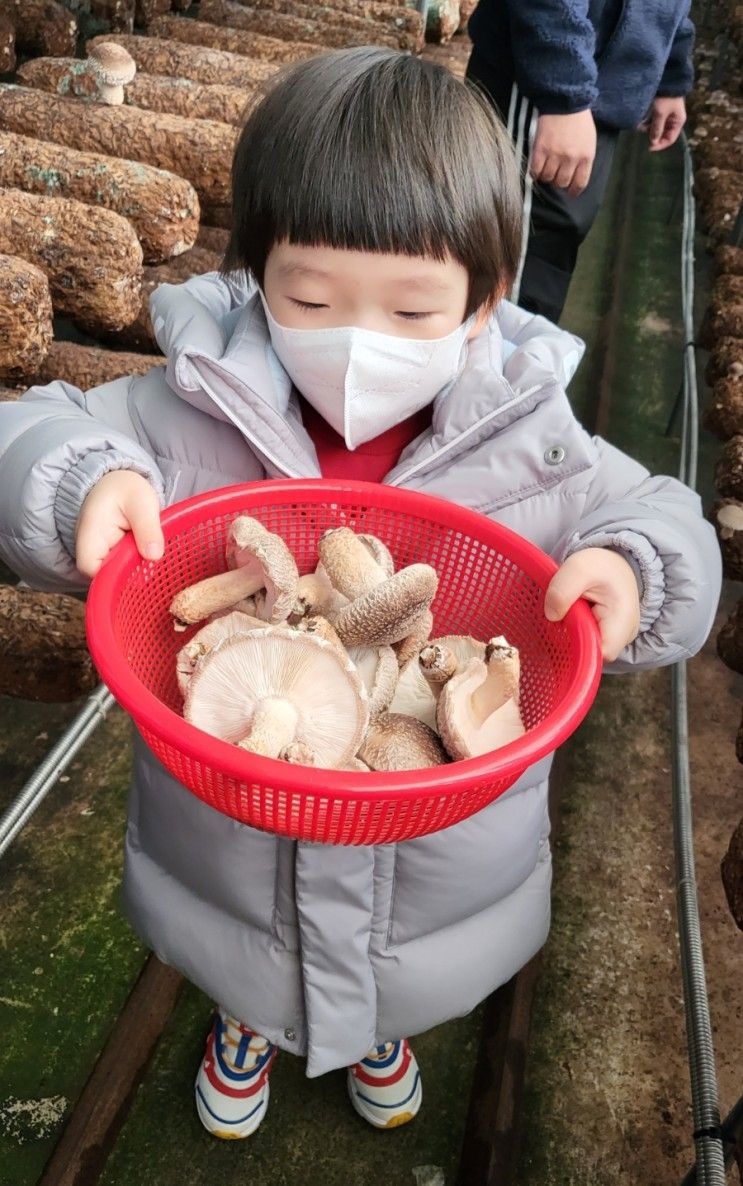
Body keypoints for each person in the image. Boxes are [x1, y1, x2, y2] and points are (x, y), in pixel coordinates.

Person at [0, 48, 720, 1139]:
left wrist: (632, 565)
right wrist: (74, 479)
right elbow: (26, 429)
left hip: (435, 847)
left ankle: (374, 1028)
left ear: (485, 302)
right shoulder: (187, 412)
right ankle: (246, 1020)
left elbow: (664, 515)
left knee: (392, 973)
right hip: (228, 829)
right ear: (254, 272)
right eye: (311, 296)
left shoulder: (533, 443)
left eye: (413, 312)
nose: (358, 345)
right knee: (243, 957)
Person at [466, 0, 694, 323]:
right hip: (542, 80)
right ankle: (494, 368)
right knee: (514, 250)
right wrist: (563, 92)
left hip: (596, 87)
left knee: (555, 241)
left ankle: (518, 363)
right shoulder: (560, 89)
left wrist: (670, 67)